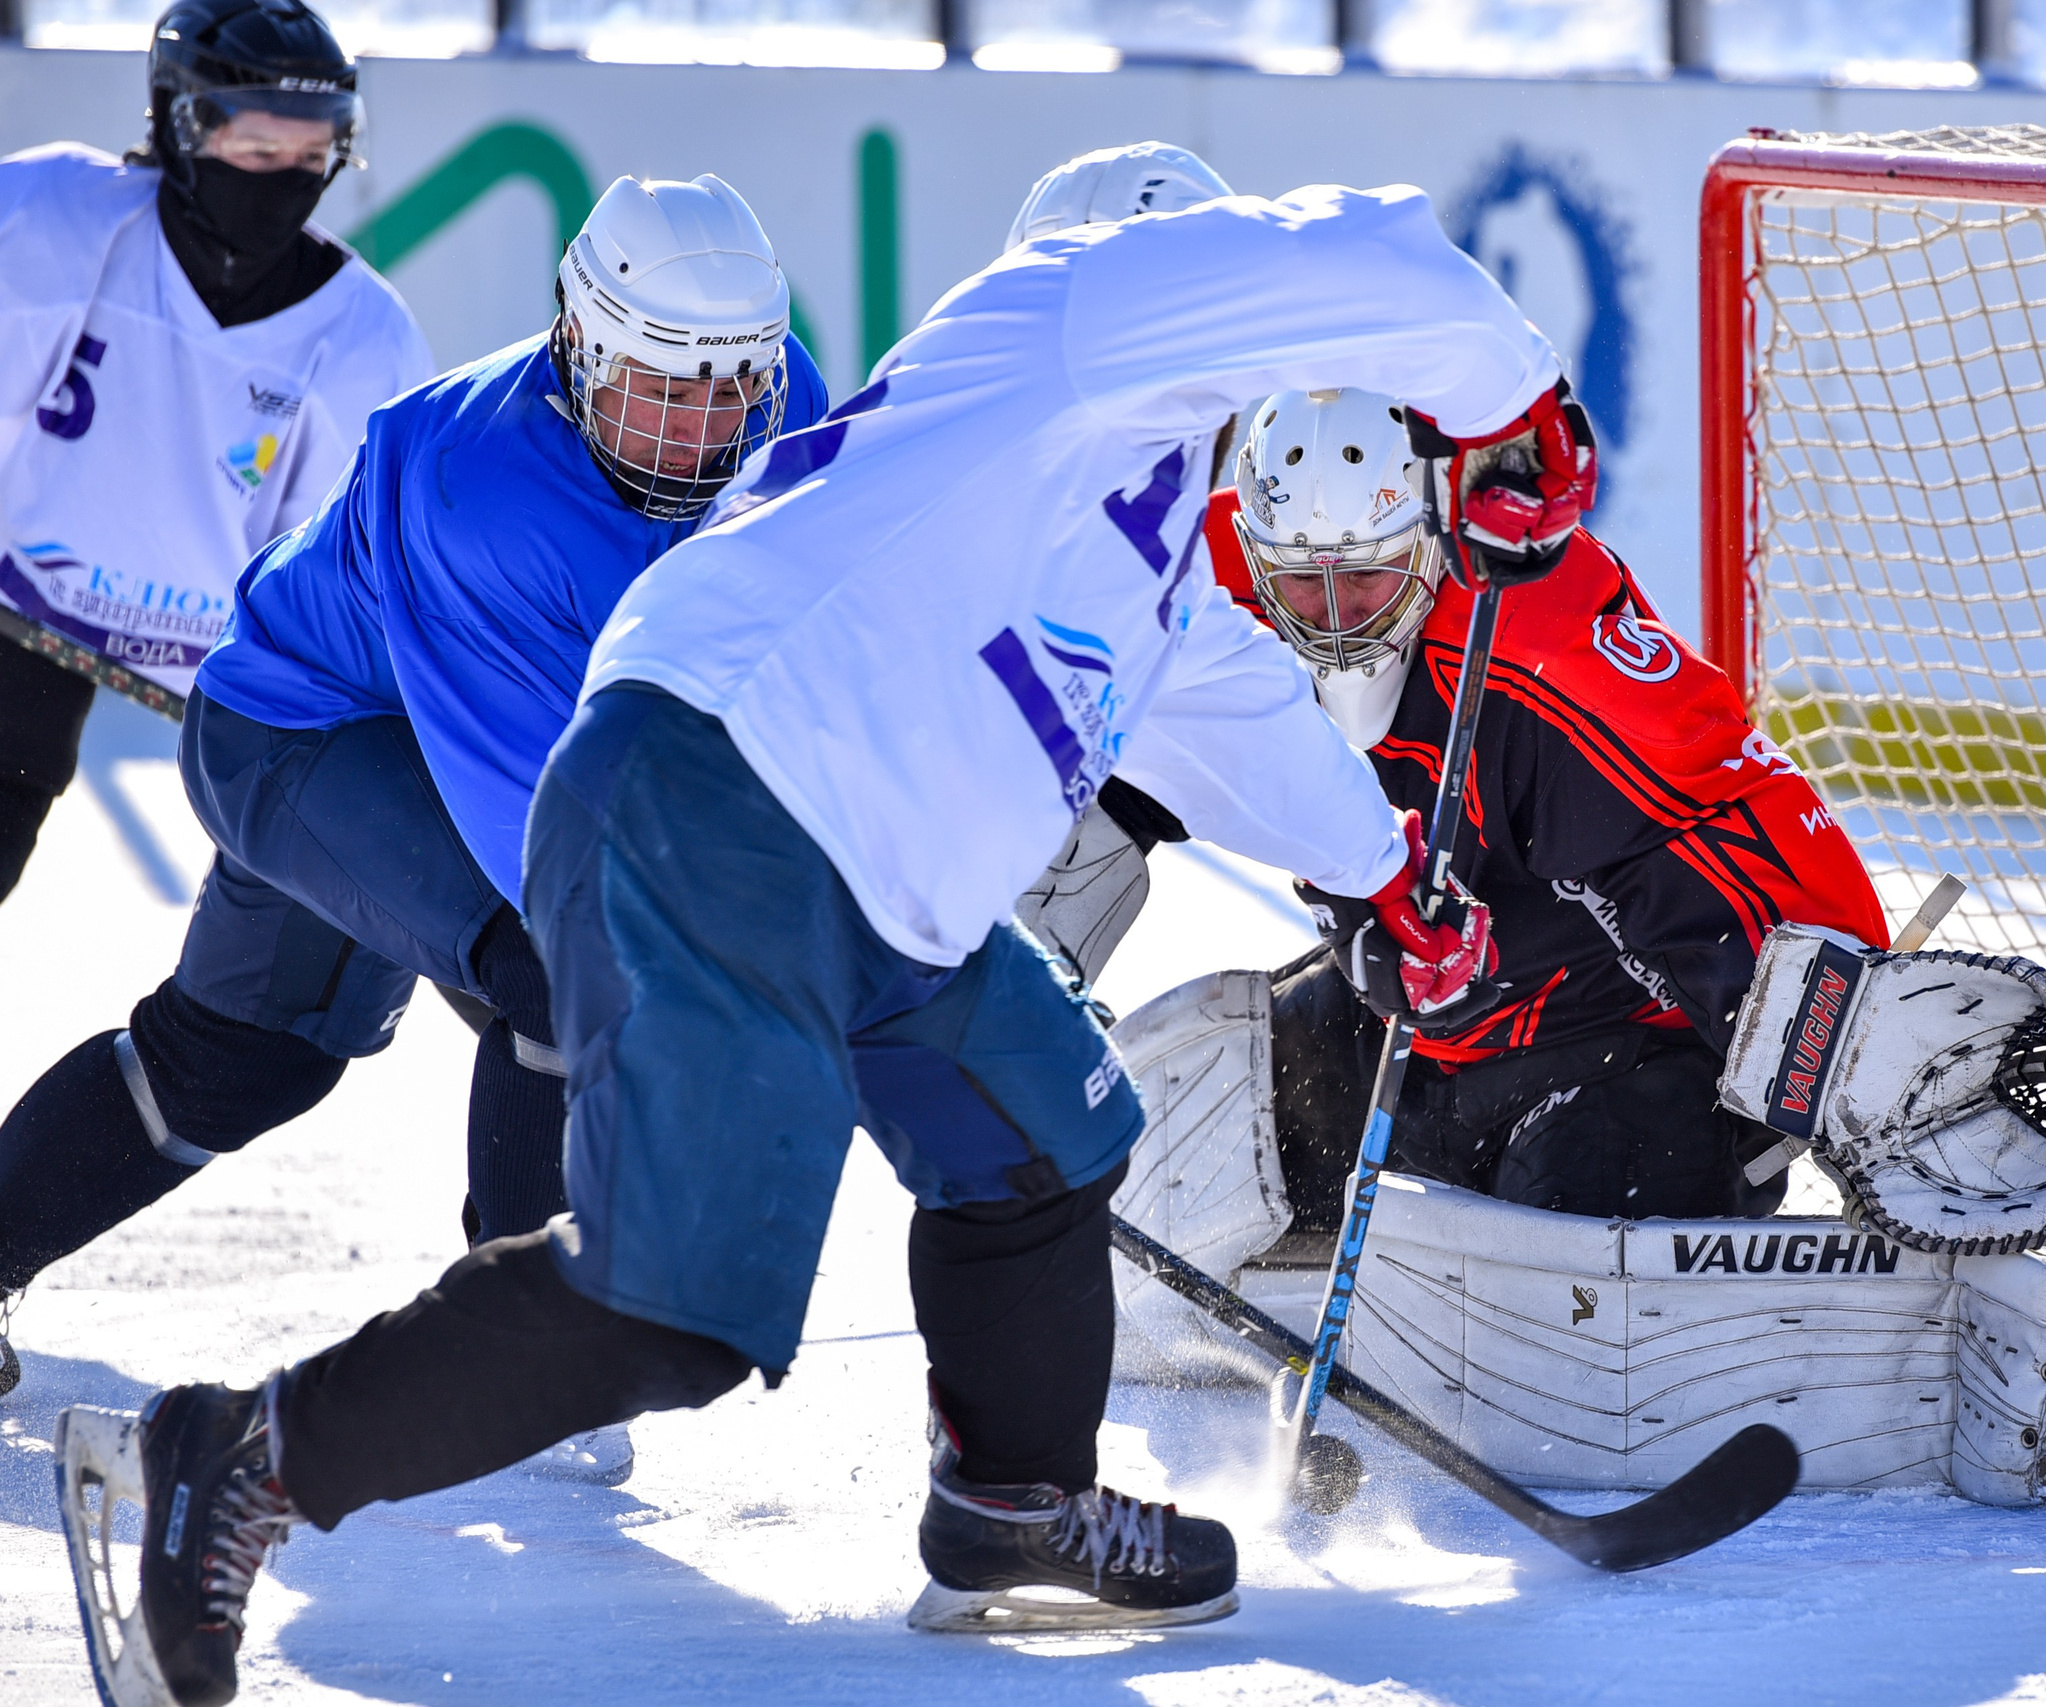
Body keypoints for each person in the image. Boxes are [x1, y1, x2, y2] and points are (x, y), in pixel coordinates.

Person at [55, 150, 1611, 1704]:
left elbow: (1225, 703)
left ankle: (1013, 1495)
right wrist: (1518, 404)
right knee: (683, 1304)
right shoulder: (1063, 319)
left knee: (1047, 1128)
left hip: (881, 885)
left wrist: (1393, 882)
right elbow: (1354, 237)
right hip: (720, 809)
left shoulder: (1124, 519)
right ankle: (245, 1453)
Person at [0, 173, 827, 1484]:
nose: (703, 431)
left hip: (425, 729)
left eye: (733, 386)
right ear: (580, 348)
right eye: (666, 389)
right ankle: (540, 1353)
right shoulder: (483, 495)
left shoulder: (784, 404)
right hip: (306, 736)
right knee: (558, 961)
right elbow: (557, 846)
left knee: (242, 1059)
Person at [1109, 385, 1889, 1268]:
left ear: (1433, 542)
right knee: (1194, 1143)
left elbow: (1732, 812)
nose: (1333, 618)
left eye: (1367, 574)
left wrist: (1858, 1065)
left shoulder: (1539, 647)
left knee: (1566, 1248)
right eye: (1301, 581)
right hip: (1425, 1039)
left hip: (1626, 1056)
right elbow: (1093, 740)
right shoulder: (1213, 589)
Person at [0, 0, 430, 903]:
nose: (288, 175)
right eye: (259, 147)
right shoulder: (50, 223)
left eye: (314, 150)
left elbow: (346, 582)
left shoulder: (365, 338)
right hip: (22, 607)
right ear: (177, 124)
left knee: (332, 915)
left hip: (246, 672)